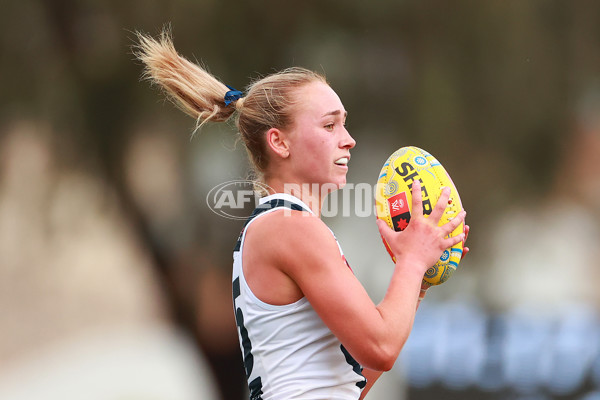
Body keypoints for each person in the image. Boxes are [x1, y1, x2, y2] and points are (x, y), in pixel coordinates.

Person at [135, 29, 468, 400]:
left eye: (344, 122)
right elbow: (381, 347)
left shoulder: (289, 226)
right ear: (279, 142)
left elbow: (351, 382)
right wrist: (411, 260)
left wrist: (418, 281)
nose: (348, 138)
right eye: (329, 125)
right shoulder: (288, 228)